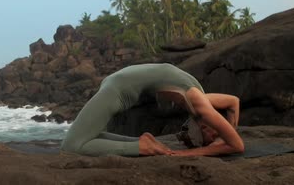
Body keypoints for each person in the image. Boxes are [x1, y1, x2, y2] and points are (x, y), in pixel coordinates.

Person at [60, 63, 244, 157]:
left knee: (90, 137)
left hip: (118, 82)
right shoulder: (200, 106)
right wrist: (221, 140)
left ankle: (143, 143)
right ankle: (144, 145)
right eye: (212, 129)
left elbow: (234, 103)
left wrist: (222, 136)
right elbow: (237, 146)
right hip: (118, 88)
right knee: (70, 147)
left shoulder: (204, 97)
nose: (210, 132)